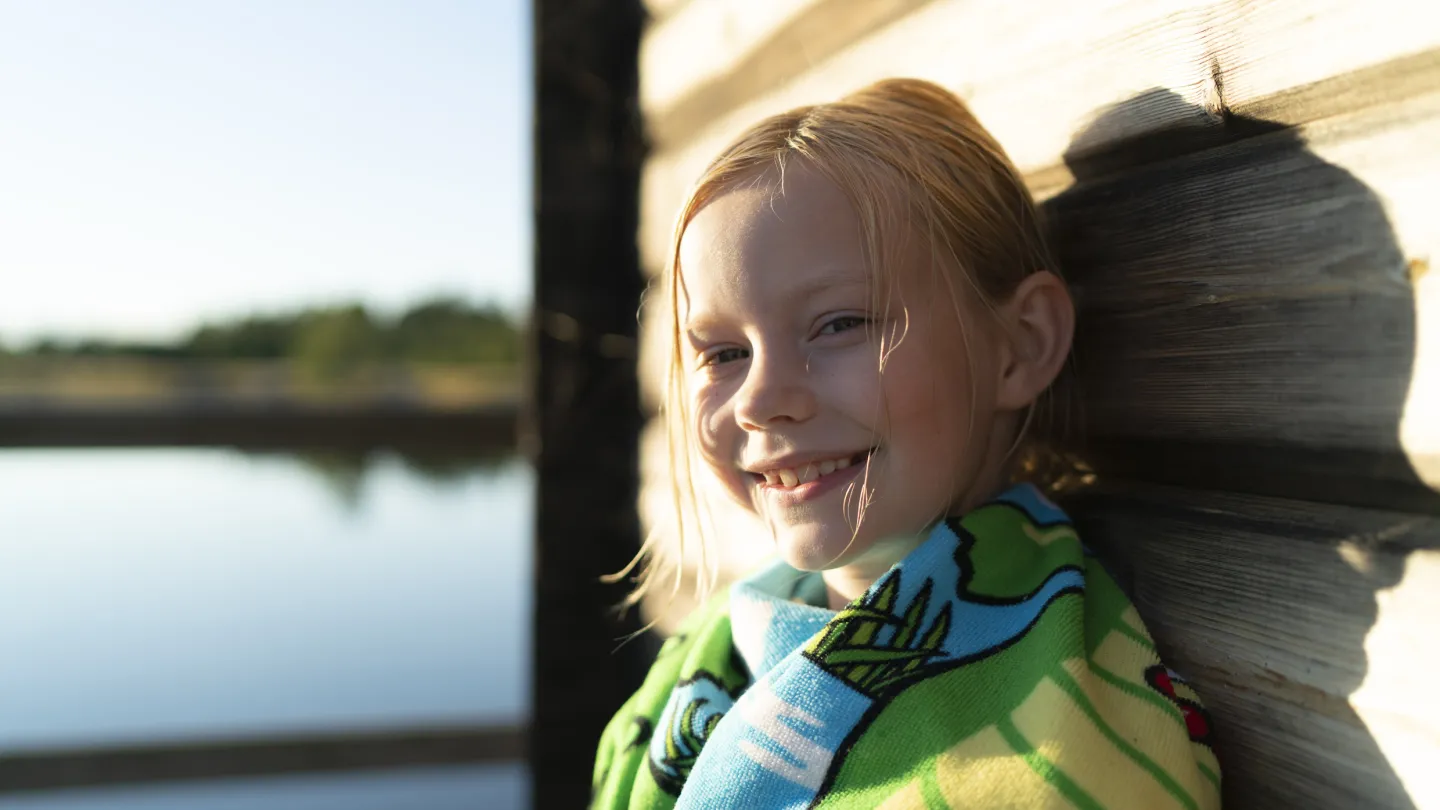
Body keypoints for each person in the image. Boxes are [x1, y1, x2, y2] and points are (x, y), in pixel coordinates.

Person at [592, 78, 1220, 809]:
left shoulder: (1063, 751)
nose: (761, 402)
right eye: (723, 353)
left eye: (840, 324)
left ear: (1019, 345)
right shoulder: (711, 659)